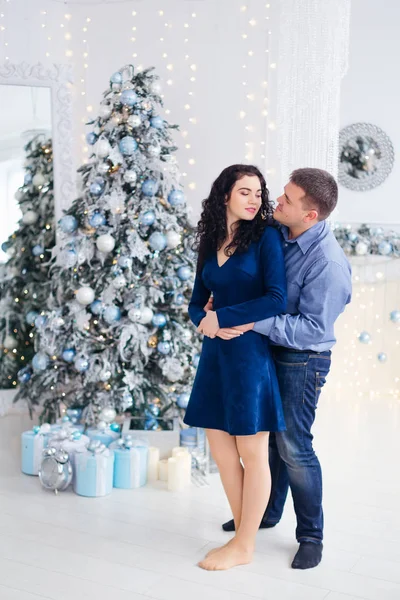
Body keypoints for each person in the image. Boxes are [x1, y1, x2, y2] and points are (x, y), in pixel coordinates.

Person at [218, 168, 352, 570]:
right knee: (268, 437)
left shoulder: (327, 264)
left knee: (294, 447)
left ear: (310, 216)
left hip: (304, 358)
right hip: (269, 350)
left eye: (287, 200)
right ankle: (266, 513)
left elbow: (313, 328)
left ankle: (311, 536)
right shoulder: (277, 234)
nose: (277, 201)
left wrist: (249, 321)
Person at [184, 164, 287, 571]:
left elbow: (276, 298)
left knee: (252, 451)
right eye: (245, 191)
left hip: (248, 357)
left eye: (258, 193)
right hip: (214, 356)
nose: (254, 199)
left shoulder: (266, 238)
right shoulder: (210, 241)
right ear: (225, 194)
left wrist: (222, 319)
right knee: (223, 454)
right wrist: (203, 321)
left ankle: (244, 546)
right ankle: (244, 536)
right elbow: (196, 301)